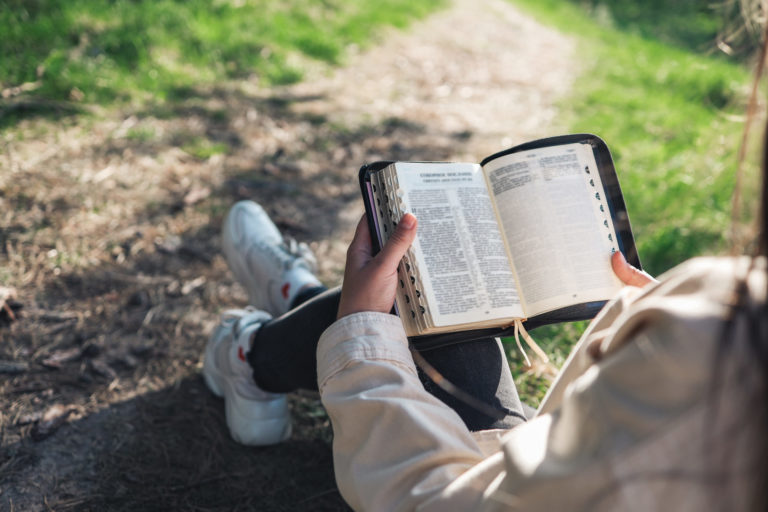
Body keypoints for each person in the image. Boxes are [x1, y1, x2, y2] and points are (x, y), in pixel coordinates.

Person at [203, 41, 768, 512]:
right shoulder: (726, 345)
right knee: (447, 305)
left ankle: (253, 354)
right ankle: (295, 295)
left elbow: (432, 500)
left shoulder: (729, 355)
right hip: (536, 468)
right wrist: (649, 320)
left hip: (491, 482)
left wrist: (361, 334)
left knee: (406, 301)